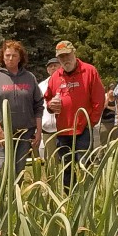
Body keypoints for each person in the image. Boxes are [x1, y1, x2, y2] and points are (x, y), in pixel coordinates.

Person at [44, 40, 105, 188]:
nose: (65, 59)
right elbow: (48, 99)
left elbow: (99, 99)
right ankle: (69, 201)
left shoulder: (89, 71)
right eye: (61, 57)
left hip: (83, 129)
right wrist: (51, 107)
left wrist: (91, 122)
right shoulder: (55, 77)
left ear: (74, 53)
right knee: (66, 168)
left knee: (84, 166)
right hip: (63, 130)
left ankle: (86, 199)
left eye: (67, 55)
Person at [0, 40, 44, 176]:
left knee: (18, 172)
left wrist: (38, 131)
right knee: (2, 171)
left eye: (14, 55)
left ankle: (15, 197)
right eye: (7, 55)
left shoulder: (29, 77)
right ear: (2, 56)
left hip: (25, 134)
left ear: (20, 57)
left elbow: (38, 105)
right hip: (3, 134)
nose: (10, 58)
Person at [38, 56, 61, 158]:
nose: (53, 68)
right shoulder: (41, 86)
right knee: (51, 159)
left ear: (61, 67)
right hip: (47, 127)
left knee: (66, 157)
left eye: (55, 65)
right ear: (47, 70)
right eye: (50, 66)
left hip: (63, 126)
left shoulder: (66, 82)